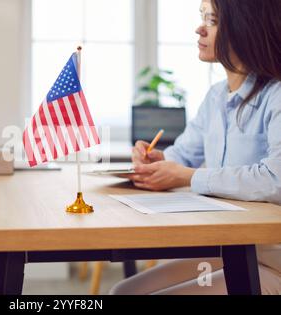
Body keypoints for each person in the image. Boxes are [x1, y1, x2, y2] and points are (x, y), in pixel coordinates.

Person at [111, 0, 281, 294]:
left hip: (271, 256)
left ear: (245, 27)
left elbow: (276, 179)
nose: (199, 29)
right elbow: (182, 155)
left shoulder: (275, 94)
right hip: (233, 247)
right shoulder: (215, 97)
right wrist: (155, 160)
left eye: (212, 20)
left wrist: (187, 176)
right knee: (124, 292)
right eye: (202, 18)